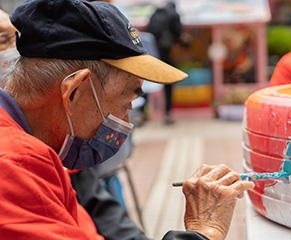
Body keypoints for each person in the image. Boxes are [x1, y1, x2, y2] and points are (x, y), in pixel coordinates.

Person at [0, 1, 254, 240]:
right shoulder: (13, 167)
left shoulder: (40, 144)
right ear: (75, 91)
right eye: (125, 104)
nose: (124, 121)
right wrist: (204, 231)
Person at [147, 1, 182, 125]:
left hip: (150, 54)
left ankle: (143, 112)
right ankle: (167, 114)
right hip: (165, 53)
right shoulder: (174, 15)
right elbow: (178, 33)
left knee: (146, 80)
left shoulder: (155, 13)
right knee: (169, 81)